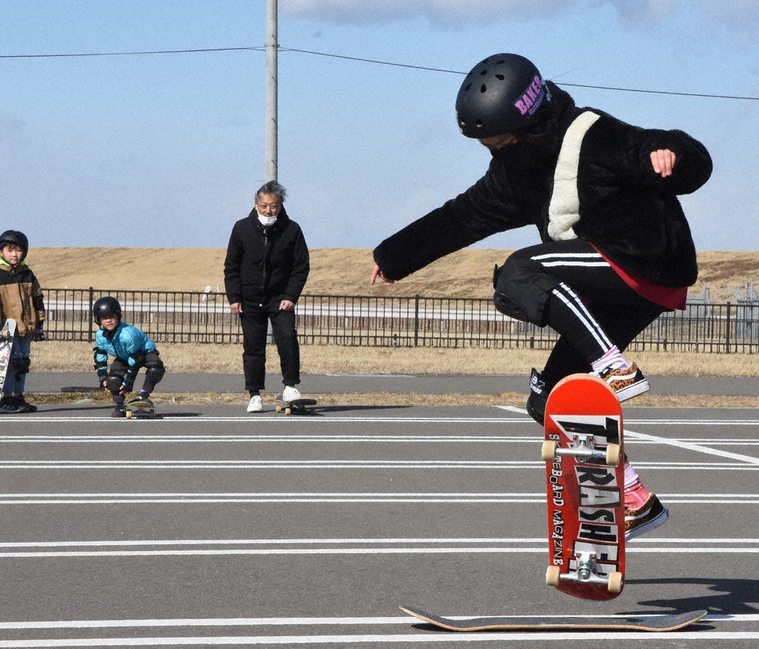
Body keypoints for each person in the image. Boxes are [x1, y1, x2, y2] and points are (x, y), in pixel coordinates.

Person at [371, 53, 712, 540]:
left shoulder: (592, 133)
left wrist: (675, 158)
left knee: (521, 271)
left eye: (499, 140)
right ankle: (633, 501)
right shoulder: (514, 173)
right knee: (554, 398)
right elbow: (462, 216)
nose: (495, 150)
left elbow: (664, 148)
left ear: (527, 121)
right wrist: (394, 255)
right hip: (608, 284)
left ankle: (613, 368)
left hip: (644, 258)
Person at [224, 180, 310, 413]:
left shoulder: (292, 230)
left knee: (287, 339)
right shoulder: (241, 228)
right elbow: (231, 266)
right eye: (264, 206)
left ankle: (290, 387)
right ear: (255, 205)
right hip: (249, 299)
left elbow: (301, 266)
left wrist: (291, 295)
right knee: (253, 346)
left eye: (273, 206)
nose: (268, 211)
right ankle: (255, 394)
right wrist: (234, 298)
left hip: (279, 298)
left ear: (280, 206)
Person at [0, 230, 46, 413]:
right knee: (9, 365)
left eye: (18, 250)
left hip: (26, 328)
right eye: (9, 250)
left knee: (23, 363)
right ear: (1, 252)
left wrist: (40, 324)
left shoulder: (28, 275)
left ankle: (19, 396)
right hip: (5, 330)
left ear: (24, 252)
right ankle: (6, 397)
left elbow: (37, 300)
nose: (14, 254)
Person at [92, 296, 165, 417]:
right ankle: (120, 406)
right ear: (98, 320)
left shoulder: (128, 335)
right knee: (113, 380)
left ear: (118, 317)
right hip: (124, 356)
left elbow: (135, 360)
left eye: (112, 317)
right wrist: (103, 377)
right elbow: (100, 355)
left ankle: (144, 396)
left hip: (143, 353)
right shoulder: (100, 335)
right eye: (104, 318)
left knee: (156, 367)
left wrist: (128, 383)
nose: (108, 321)